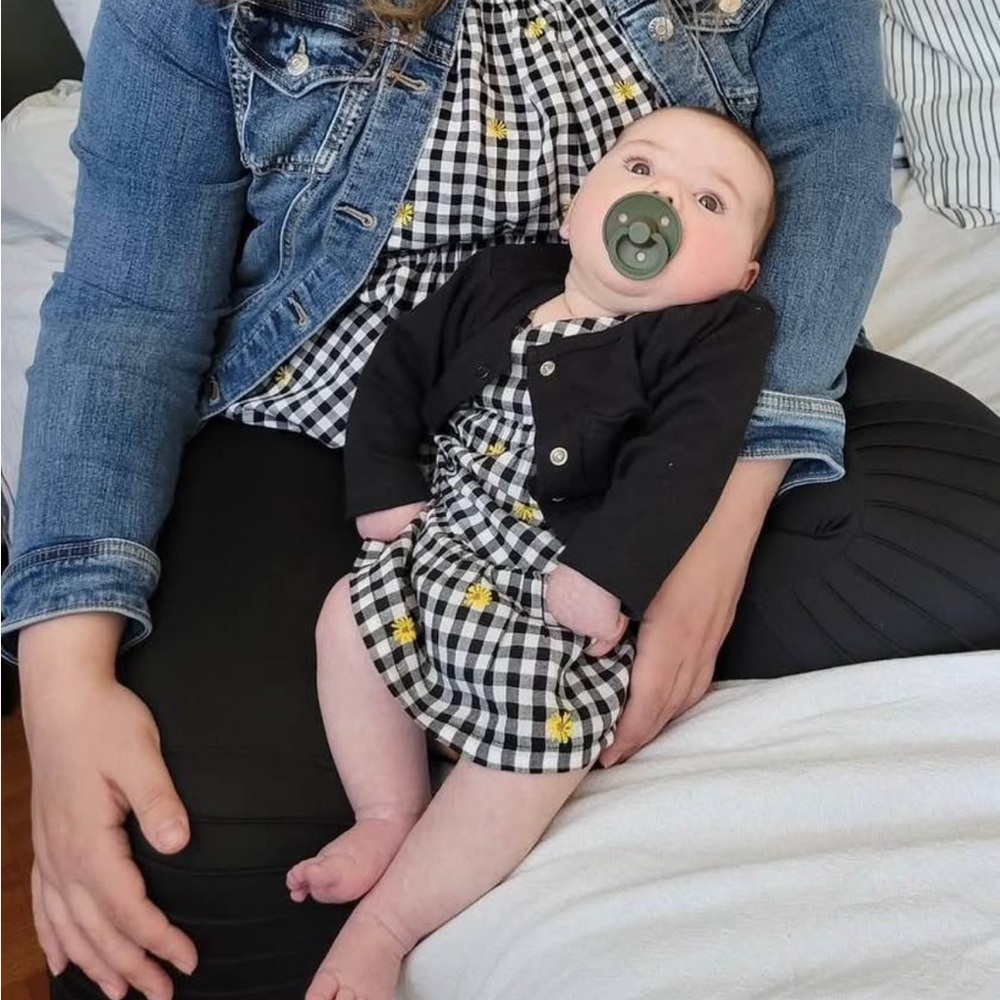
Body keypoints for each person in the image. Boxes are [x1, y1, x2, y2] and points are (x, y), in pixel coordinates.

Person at [2, 2, 998, 999]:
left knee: (969, 551)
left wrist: (714, 541)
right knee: (172, 880)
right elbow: (128, 303)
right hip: (342, 412)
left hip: (675, 388)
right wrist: (60, 674)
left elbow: (829, 159)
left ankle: (495, 690)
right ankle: (438, 708)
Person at [284, 105, 776, 999]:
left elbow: (686, 460)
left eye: (709, 199)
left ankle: (389, 923)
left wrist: (605, 576)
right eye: (639, 170)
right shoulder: (503, 277)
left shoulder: (714, 338)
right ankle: (387, 812)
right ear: (575, 207)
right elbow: (398, 369)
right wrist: (386, 490)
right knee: (345, 622)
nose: (662, 198)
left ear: (741, 275)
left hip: (551, 590)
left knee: (539, 746)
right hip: (440, 541)